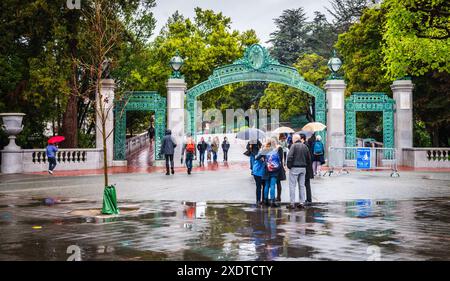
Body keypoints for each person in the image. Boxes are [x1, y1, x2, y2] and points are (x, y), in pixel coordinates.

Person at [286, 134, 311, 209]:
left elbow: (289, 156)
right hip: (303, 168)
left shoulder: (293, 146)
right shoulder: (305, 146)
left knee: (292, 185)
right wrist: (306, 166)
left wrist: (289, 166)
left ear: (294, 139)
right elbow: (309, 158)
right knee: (302, 186)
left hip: (294, 167)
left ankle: (292, 203)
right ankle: (302, 202)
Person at [256, 141, 280, 208]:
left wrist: (263, 160)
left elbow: (257, 158)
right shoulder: (275, 151)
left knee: (266, 185)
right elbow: (279, 160)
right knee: (272, 185)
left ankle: (266, 200)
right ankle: (273, 201)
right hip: (274, 170)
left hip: (267, 170)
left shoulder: (265, 151)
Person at [301, 134, 314, 204]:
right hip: (308, 168)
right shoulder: (307, 144)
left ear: (302, 139)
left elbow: (308, 158)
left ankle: (309, 199)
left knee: (307, 184)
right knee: (306, 184)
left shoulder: (306, 145)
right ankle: (308, 199)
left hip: (307, 168)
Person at [274, 138, 286, 202]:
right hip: (275, 167)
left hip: (278, 168)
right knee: (275, 183)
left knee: (278, 182)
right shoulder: (273, 148)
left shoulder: (279, 148)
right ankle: (276, 197)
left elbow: (281, 158)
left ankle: (278, 197)